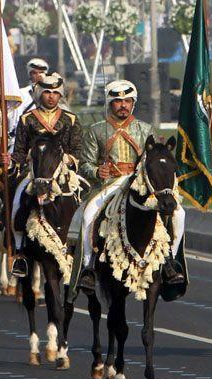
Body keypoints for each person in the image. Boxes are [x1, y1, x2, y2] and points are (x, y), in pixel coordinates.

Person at [74, 80, 184, 290]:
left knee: (179, 213)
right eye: (117, 101)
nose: (122, 105)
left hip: (140, 184)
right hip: (109, 184)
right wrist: (97, 171)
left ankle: (170, 260)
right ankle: (88, 266)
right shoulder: (96, 130)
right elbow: (84, 164)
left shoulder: (146, 129)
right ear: (110, 104)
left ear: (133, 103)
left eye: (127, 100)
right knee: (89, 215)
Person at [0, 72, 81, 278]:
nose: (51, 97)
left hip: (62, 171)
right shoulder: (27, 119)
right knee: (18, 200)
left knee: (84, 199)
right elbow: (19, 150)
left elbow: (77, 151)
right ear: (39, 94)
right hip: (34, 171)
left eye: (55, 93)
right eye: (47, 92)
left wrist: (68, 160)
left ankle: (86, 250)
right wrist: (12, 160)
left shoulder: (70, 119)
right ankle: (19, 251)